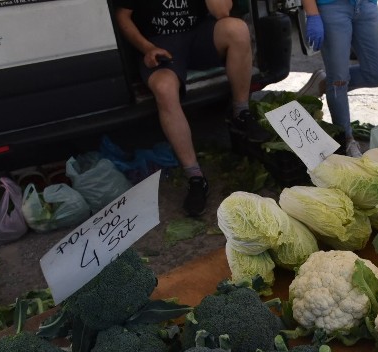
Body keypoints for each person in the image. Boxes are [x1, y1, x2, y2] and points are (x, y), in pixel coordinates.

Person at [113, 0, 268, 217]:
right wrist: (147, 48)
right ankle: (196, 177)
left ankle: (240, 112)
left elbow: (222, 12)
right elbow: (122, 15)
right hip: (158, 43)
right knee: (164, 88)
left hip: (197, 37)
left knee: (237, 29)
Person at [299, 0, 378, 157]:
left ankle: (327, 82)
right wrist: (313, 14)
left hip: (367, 5)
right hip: (331, 7)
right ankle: (346, 140)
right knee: (338, 81)